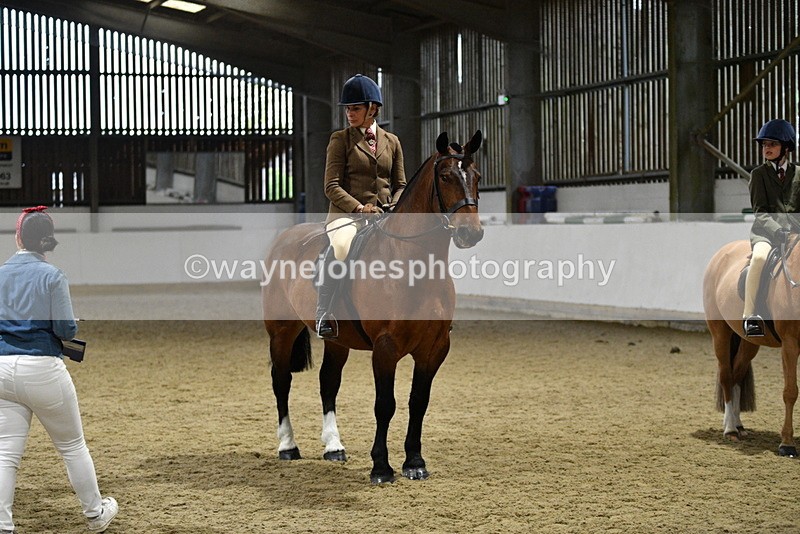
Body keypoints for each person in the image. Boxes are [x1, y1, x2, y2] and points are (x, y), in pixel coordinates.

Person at [0, 207, 118, 533]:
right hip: (41, 367)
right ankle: (95, 514)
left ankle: (3, 524)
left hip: (1, 366)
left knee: (5, 454)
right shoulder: (52, 275)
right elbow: (65, 329)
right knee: (72, 446)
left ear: (18, 237)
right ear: (46, 240)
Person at [315, 74, 407, 338]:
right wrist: (359, 208)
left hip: (383, 216)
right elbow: (331, 186)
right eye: (347, 109)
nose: (349, 113)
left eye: (355, 108)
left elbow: (400, 184)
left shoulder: (392, 141)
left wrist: (394, 205)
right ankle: (324, 311)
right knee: (342, 245)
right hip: (347, 216)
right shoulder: (340, 140)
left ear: (372, 108)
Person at [743, 119, 800, 337]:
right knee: (758, 259)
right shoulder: (758, 175)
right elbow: (760, 211)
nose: (766, 148)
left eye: (772, 144)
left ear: (786, 148)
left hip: (796, 234)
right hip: (767, 234)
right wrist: (778, 231)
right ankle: (750, 316)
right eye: (764, 144)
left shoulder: (798, 174)